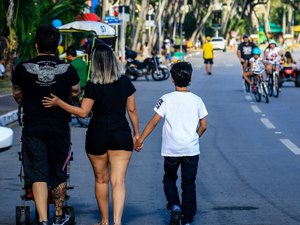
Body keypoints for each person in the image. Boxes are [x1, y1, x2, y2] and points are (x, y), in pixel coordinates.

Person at [42, 43, 140, 225]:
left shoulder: (93, 85)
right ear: (112, 61)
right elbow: (132, 110)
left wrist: (59, 103)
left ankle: (104, 221)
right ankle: (117, 222)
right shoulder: (125, 82)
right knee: (118, 181)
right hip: (121, 133)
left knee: (101, 180)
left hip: (97, 135)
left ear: (94, 63)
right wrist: (136, 134)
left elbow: (83, 112)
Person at [11, 25, 80, 225]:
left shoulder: (23, 68)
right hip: (59, 128)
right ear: (57, 45)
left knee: (37, 173)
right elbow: (75, 92)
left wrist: (28, 102)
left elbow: (17, 94)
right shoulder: (67, 68)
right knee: (59, 171)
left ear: (36, 45)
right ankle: (58, 216)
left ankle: (42, 220)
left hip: (34, 128)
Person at [134, 62, 208, 225]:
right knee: (189, 183)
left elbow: (153, 122)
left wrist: (140, 140)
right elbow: (204, 125)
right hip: (191, 149)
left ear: (172, 79)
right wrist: (194, 137)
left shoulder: (166, 99)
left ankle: (175, 206)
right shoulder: (197, 100)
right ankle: (188, 217)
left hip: (171, 150)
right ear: (190, 78)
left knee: (169, 178)